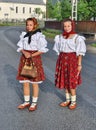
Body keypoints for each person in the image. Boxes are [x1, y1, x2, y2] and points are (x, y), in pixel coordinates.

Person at [53, 19, 86, 110]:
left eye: (69, 26)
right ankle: (67, 100)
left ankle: (73, 101)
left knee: (71, 81)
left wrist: (79, 65)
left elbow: (80, 53)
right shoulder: (60, 37)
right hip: (62, 60)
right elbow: (59, 51)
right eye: (65, 26)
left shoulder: (77, 38)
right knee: (65, 80)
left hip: (72, 62)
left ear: (72, 26)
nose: (67, 28)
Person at [16, 17, 48, 111]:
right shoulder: (24, 35)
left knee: (34, 83)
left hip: (34, 59)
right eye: (27, 25)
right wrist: (24, 52)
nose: (28, 27)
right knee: (25, 82)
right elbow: (20, 46)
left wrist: (32, 54)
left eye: (30, 25)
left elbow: (42, 49)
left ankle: (33, 103)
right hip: (25, 59)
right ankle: (26, 102)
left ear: (35, 25)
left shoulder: (38, 35)